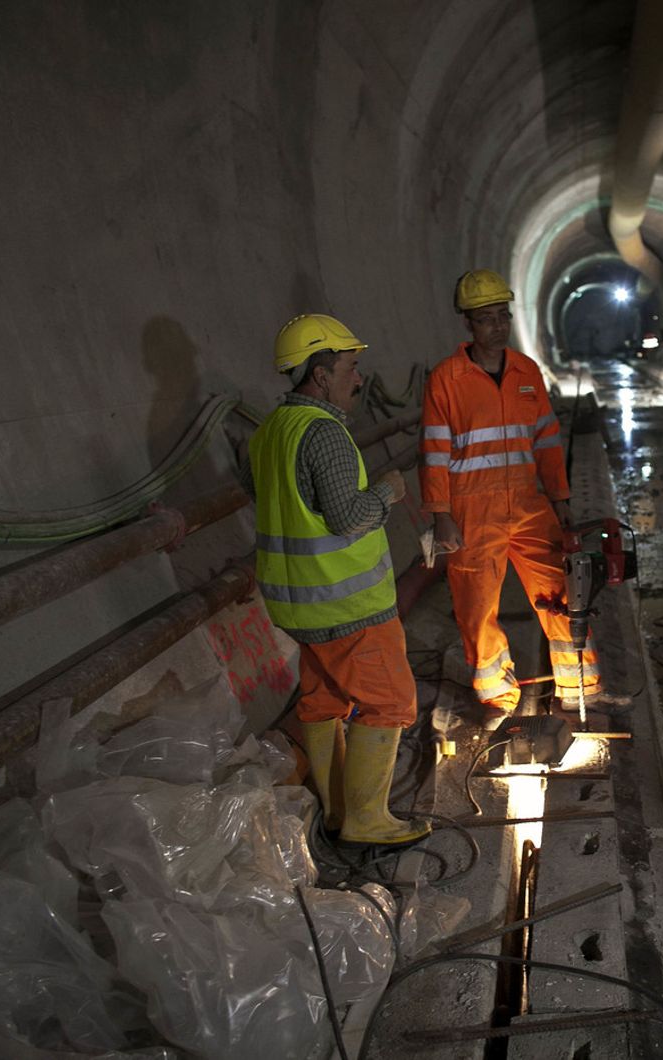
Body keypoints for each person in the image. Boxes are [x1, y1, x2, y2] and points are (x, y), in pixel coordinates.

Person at [243, 313, 430, 847]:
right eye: (350, 366)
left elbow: (272, 501)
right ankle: (367, 820)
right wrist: (390, 491)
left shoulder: (269, 433)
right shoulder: (323, 432)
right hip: (347, 604)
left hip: (295, 605)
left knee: (323, 702)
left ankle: (335, 812)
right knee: (390, 701)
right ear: (321, 375)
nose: (358, 377)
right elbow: (349, 518)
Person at [419, 269, 615, 727]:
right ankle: (496, 697)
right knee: (475, 607)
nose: (498, 326)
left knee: (563, 594)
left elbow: (546, 439)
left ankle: (579, 687)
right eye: (487, 318)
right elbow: (433, 450)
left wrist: (561, 498)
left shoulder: (526, 372)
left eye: (503, 316)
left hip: (529, 505)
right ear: (468, 323)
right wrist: (441, 514)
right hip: (472, 511)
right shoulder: (447, 379)